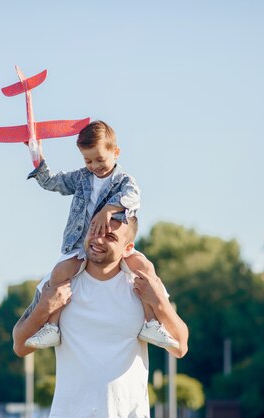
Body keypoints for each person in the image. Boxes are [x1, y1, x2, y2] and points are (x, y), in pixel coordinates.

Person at [13, 216, 189, 418]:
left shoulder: (142, 283)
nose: (98, 240)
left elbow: (181, 346)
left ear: (128, 248)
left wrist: (159, 301)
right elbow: (20, 345)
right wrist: (45, 306)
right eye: (94, 231)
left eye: (110, 237)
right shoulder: (59, 280)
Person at [24, 120, 178, 350]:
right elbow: (54, 182)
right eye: (88, 160)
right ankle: (52, 327)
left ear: (115, 153)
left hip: (114, 245)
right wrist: (37, 156)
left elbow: (133, 198)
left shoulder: (124, 181)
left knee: (144, 267)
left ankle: (151, 323)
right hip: (82, 243)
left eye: (100, 159)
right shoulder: (82, 178)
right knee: (60, 272)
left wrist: (110, 209)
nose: (94, 165)